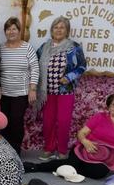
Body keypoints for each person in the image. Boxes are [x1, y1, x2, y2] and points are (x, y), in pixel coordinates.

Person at [24, 93, 114, 179]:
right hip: (84, 149)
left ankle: (68, 169)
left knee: (99, 174)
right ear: (109, 107)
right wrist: (85, 142)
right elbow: (81, 133)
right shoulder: (100, 117)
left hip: (106, 158)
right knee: (71, 165)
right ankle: (36, 167)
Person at [35, 16, 86, 161]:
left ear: (67, 30)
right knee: (48, 122)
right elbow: (35, 65)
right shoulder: (44, 47)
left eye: (62, 27)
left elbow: (82, 66)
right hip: (47, 92)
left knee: (64, 121)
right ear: (51, 30)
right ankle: (49, 148)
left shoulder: (74, 47)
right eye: (56, 27)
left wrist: (69, 77)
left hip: (66, 92)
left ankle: (62, 150)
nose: (58, 30)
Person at [0, 16, 38, 155]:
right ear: (5, 32)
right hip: (3, 94)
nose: (11, 32)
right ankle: (4, 152)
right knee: (3, 122)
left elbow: (35, 68)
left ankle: (15, 152)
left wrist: (32, 88)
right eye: (8, 29)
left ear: (19, 30)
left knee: (16, 122)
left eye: (14, 29)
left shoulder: (27, 48)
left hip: (21, 93)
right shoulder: (1, 48)